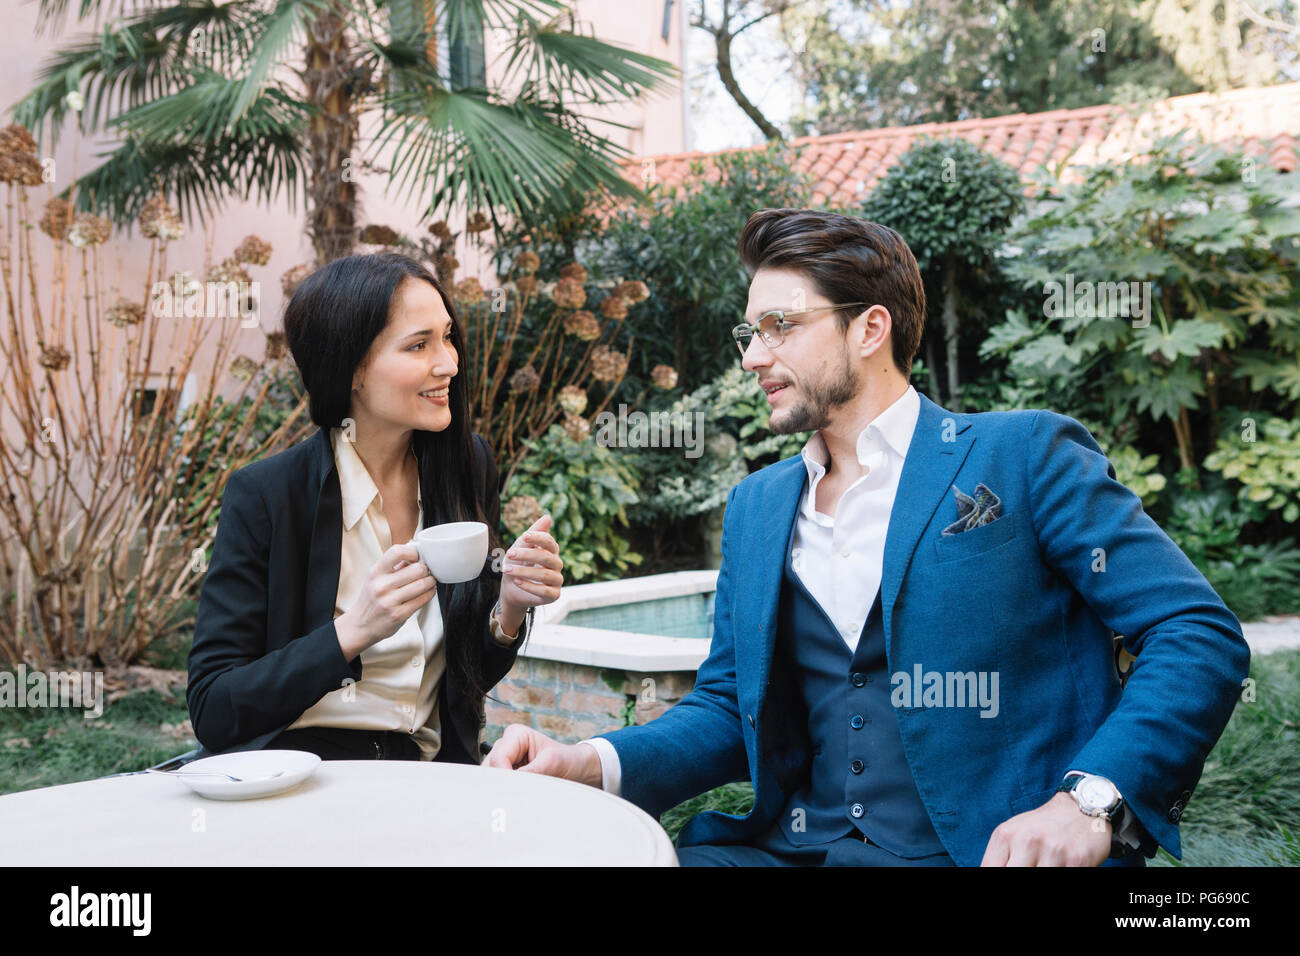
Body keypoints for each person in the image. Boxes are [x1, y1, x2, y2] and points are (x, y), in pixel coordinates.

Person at [486, 208, 1250, 866]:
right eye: (749, 333)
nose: (754, 356)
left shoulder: (1022, 456)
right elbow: (726, 707)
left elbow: (1194, 632)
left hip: (987, 850)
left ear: (870, 329)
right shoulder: (757, 506)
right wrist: (587, 762)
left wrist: (1089, 802)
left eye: (781, 326)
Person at [188, 252, 564, 763]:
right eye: (418, 345)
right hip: (299, 772)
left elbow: (464, 676)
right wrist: (354, 631)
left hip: (426, 773)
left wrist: (510, 609)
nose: (449, 362)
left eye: (447, 336)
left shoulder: (465, 465)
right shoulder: (267, 497)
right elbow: (214, 707)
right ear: (351, 370)